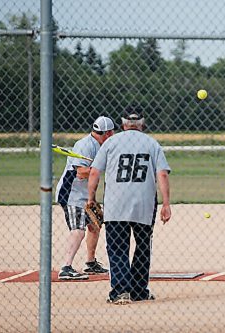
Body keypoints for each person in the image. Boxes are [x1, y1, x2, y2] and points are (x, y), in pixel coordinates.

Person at [87, 106, 172, 305]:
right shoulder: (152, 143)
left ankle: (120, 292)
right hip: (144, 204)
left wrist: (90, 198)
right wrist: (166, 204)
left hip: (116, 204)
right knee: (143, 247)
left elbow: (94, 173)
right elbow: (162, 174)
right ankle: (139, 290)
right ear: (142, 123)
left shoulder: (111, 142)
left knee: (117, 248)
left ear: (123, 123)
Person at [55, 116, 115, 280]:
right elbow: (81, 173)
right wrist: (98, 168)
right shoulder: (84, 145)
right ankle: (66, 267)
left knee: (95, 226)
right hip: (71, 194)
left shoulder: (101, 146)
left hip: (85, 195)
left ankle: (90, 263)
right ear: (108, 133)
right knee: (78, 230)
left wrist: (92, 197)